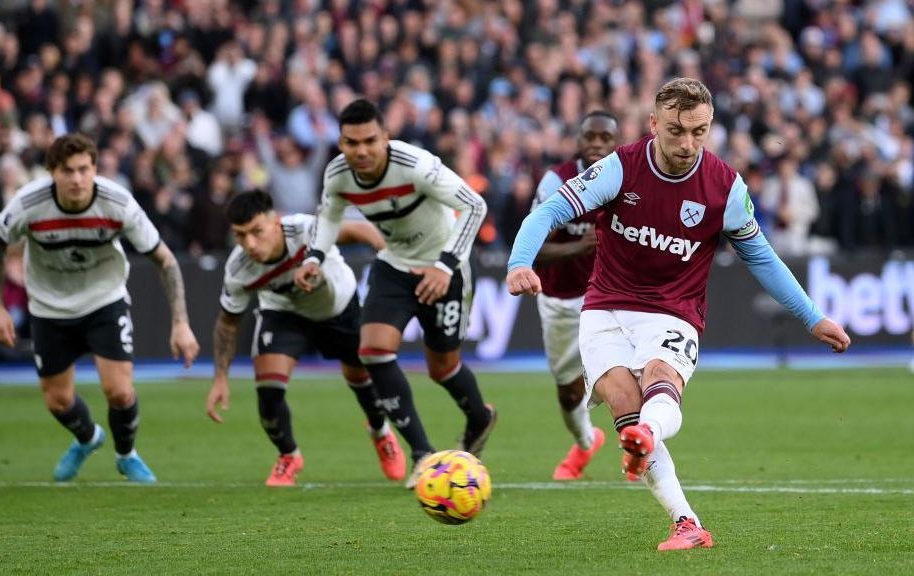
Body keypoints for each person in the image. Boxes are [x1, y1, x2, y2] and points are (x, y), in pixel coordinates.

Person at [506, 78, 850, 551]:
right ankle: (686, 522)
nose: (688, 144)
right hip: (604, 309)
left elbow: (762, 258)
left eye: (700, 132)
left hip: (673, 311)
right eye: (676, 131)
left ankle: (647, 436)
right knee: (627, 407)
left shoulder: (724, 187)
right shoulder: (619, 168)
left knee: (658, 383)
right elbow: (546, 213)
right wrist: (519, 262)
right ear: (654, 124)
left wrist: (813, 317)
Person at [295, 98, 495, 488]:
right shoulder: (337, 175)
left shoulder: (415, 165)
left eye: (370, 140)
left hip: (443, 265)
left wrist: (445, 265)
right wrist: (314, 257)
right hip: (394, 264)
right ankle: (422, 454)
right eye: (352, 143)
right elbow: (329, 216)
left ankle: (480, 418)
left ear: (386, 137)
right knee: (372, 351)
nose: (362, 151)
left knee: (442, 367)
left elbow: (475, 205)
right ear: (340, 143)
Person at [0, 133, 200, 484]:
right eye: (67, 170)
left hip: (104, 300)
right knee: (57, 400)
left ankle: (126, 455)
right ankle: (88, 438)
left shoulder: (118, 203)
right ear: (52, 172)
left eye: (84, 169)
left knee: (119, 390)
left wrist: (181, 323)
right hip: (48, 307)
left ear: (95, 168)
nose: (77, 179)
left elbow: (165, 260)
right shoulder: (29, 204)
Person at [206, 190, 405, 487]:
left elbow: (359, 229)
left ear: (276, 221)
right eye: (240, 235)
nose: (249, 244)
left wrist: (386, 253)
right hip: (285, 314)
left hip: (339, 306)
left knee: (363, 381)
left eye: (256, 232)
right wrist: (220, 378)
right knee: (268, 388)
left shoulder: (305, 229)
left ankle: (380, 431)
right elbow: (227, 322)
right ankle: (289, 455)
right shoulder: (238, 270)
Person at [532, 111, 619, 480]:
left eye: (605, 137)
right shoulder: (556, 180)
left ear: (616, 143)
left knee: (627, 379)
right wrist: (579, 248)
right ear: (578, 140)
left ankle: (641, 449)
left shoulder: (625, 177)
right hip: (559, 299)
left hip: (610, 297)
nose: (597, 143)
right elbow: (533, 248)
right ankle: (586, 442)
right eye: (590, 136)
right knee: (569, 393)